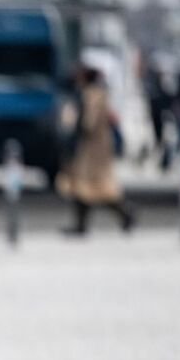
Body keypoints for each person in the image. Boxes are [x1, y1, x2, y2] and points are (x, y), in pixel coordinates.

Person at [58, 66, 136, 237]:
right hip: (93, 148)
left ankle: (125, 214)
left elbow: (88, 124)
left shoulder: (92, 95)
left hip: (92, 149)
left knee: (97, 187)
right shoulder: (96, 93)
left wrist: (72, 125)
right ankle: (81, 224)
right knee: (83, 187)